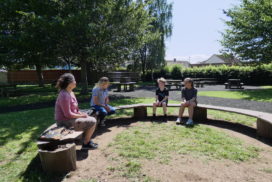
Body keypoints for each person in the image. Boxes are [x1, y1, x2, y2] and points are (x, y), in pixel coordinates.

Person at [55, 73, 98, 150]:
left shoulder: (71, 92)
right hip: (64, 121)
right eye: (74, 80)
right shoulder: (64, 95)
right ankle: (86, 143)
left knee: (92, 115)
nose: (76, 82)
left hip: (70, 118)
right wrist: (81, 116)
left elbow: (76, 109)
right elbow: (67, 114)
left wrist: (81, 113)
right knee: (93, 121)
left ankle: (83, 139)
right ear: (69, 83)